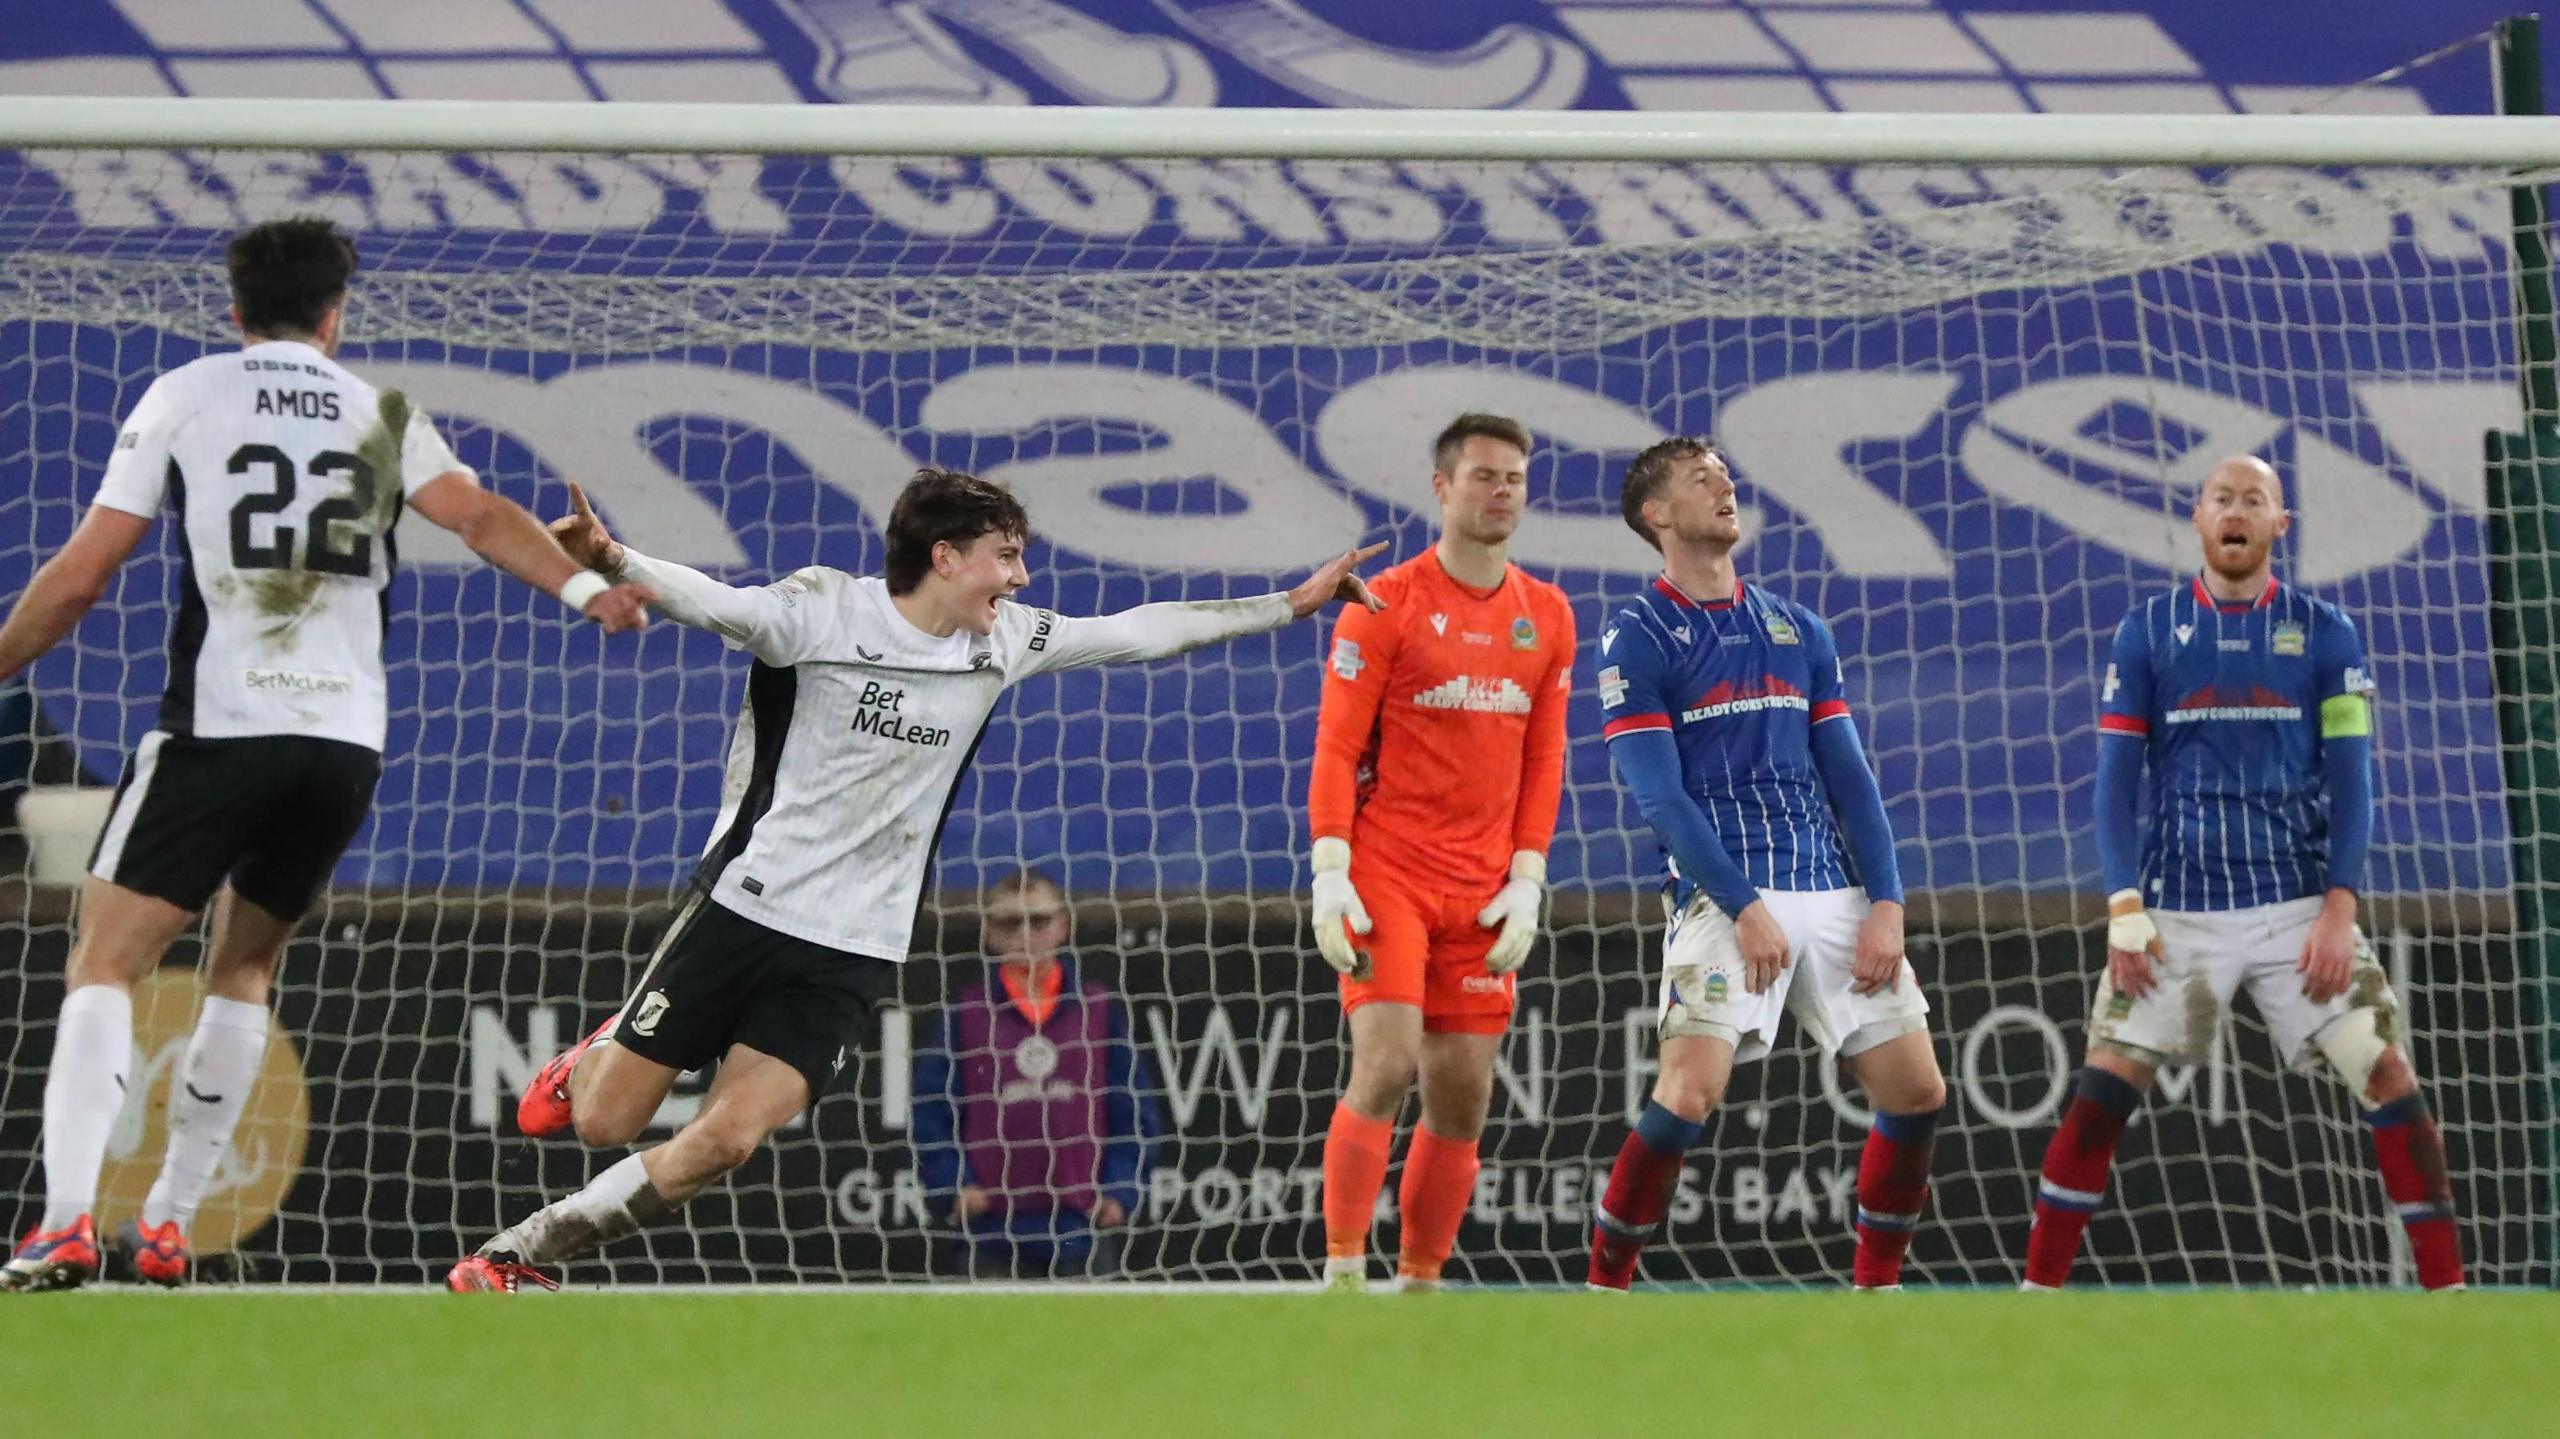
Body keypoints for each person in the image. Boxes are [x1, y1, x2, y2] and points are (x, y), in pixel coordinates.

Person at [447, 470, 1381, 1291]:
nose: (1020, 579)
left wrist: (1289, 604)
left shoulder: (1005, 639)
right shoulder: (820, 610)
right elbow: (709, 601)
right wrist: (610, 555)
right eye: (1005, 556)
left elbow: (1140, 632)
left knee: (729, 1139)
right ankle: (598, 1051)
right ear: (946, 555)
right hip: (746, 903)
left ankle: (520, 1251)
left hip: (857, 944)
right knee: (607, 1123)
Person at [0, 216, 652, 1292]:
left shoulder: (188, 391)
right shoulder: (379, 410)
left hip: (220, 726)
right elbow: (483, 515)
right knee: (246, 963)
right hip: (342, 743)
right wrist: (589, 588)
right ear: (336, 314)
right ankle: (165, 1222)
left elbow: (81, 575)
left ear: (234, 304)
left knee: (105, 960)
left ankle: (69, 1218)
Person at [2021, 455, 2464, 1291]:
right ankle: (2034, 1293)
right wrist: (2124, 905)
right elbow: (2114, 786)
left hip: (2297, 910)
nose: (2237, 511)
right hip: (2176, 913)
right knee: (2100, 1093)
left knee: (2389, 1075)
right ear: (2197, 518)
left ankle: (2452, 1294)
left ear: (2278, 525)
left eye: (2254, 499)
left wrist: (2339, 907)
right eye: (2222, 498)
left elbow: (2352, 779)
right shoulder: (2147, 633)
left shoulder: (2325, 633)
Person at [1586, 437, 1945, 1292]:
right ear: (1657, 515)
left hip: (1832, 888)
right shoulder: (1635, 634)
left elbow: (1849, 777)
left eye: (1726, 475)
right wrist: (1743, 902)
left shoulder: (1797, 626)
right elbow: (1660, 799)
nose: (1725, 486)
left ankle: (1876, 1292)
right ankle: (1602, 1291)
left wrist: (1887, 900)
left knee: (1918, 1091)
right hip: (1725, 895)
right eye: (1700, 479)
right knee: (1686, 1097)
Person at [1308, 412, 1574, 1292]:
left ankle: (1420, 1284)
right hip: (1390, 872)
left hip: (1485, 885)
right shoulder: (1385, 603)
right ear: (1442, 487)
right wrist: (1332, 869)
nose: (1501, 493)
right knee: (1385, 1062)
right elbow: (1338, 749)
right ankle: (1344, 1274)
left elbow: (1544, 757)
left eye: (1514, 480)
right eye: (1484, 476)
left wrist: (1529, 876)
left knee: (1464, 1093)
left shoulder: (1549, 614)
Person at [912, 867, 1163, 1278]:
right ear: (989, 933)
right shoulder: (966, 1013)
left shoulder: (1096, 1008)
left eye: (1039, 921)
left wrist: (1119, 1190)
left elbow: (1135, 1111)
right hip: (991, 1231)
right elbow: (930, 1112)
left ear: (1062, 926)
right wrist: (953, 1185)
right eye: (1010, 923)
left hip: (1082, 1228)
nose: (1025, 935)